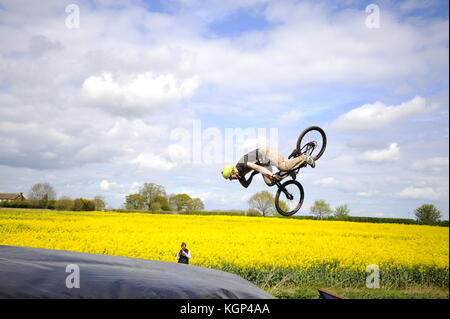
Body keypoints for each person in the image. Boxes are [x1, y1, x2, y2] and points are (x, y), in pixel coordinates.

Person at [221, 147, 315, 187]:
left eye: (229, 177)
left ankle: (304, 157)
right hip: (263, 163)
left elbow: (259, 169)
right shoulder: (239, 176)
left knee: (282, 167)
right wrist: (252, 175)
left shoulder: (242, 164)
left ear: (233, 171)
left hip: (265, 154)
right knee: (270, 182)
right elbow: (246, 185)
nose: (230, 179)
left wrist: (270, 174)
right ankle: (290, 171)